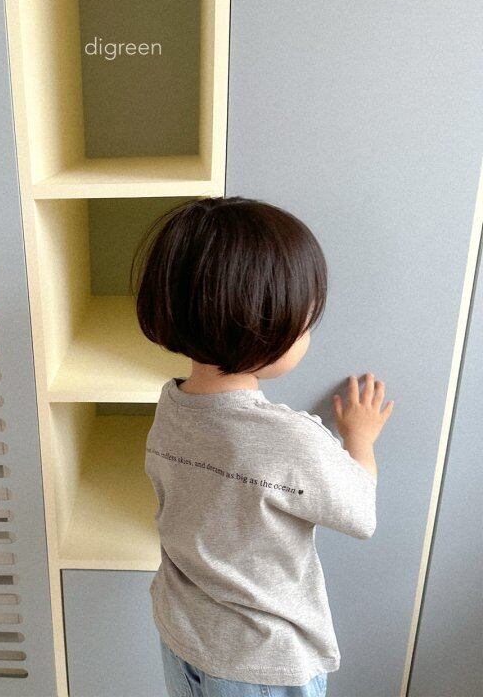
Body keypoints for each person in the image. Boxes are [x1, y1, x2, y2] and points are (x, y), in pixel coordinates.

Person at [130, 197, 394, 697]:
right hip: (261, 664)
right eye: (307, 322)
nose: (309, 334)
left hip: (181, 632)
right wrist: (359, 439)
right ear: (265, 325)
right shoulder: (290, 439)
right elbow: (361, 514)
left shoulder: (172, 405)